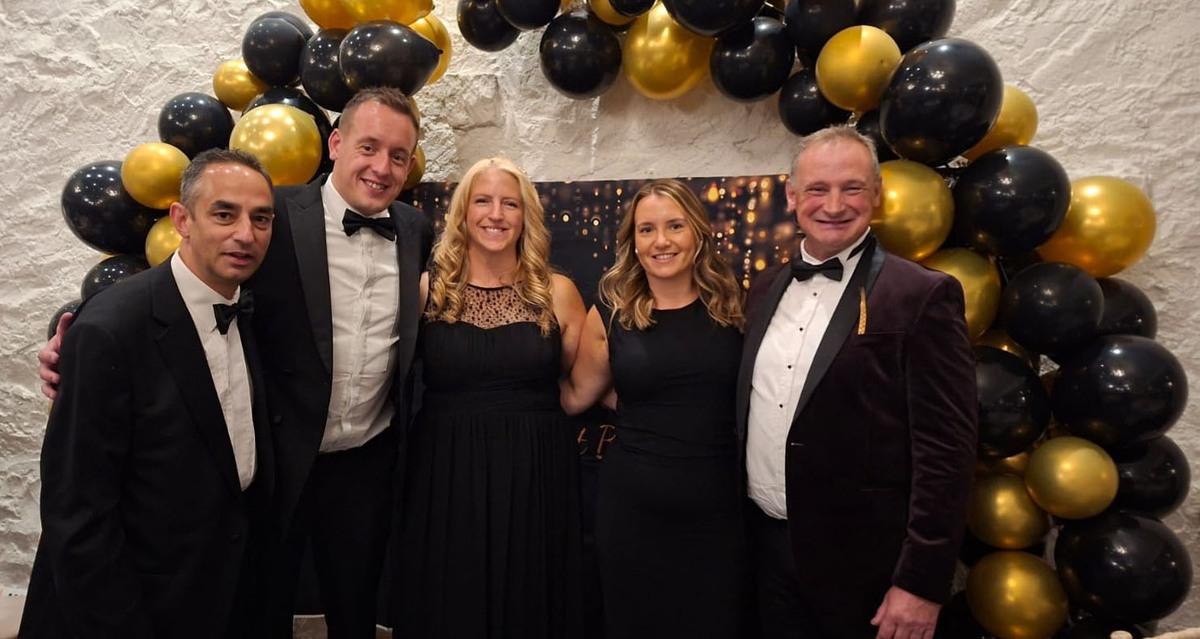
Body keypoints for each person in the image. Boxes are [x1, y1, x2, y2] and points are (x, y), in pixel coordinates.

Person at [36, 86, 431, 638]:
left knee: (356, 605)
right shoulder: (273, 216)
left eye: (398, 155)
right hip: (275, 460)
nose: (382, 166)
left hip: (366, 460)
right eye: (369, 146)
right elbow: (183, 294)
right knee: (257, 602)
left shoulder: (414, 229)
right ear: (336, 144)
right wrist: (72, 348)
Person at [20, 149, 276, 638]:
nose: (246, 234)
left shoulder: (252, 311)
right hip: (130, 609)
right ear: (181, 219)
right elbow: (78, 516)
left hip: (217, 594)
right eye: (224, 213)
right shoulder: (110, 329)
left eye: (260, 218)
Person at [738, 125, 978, 638]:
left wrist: (920, 583)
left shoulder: (922, 294)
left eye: (851, 188)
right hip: (765, 552)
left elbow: (947, 452)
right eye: (818, 189)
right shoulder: (763, 289)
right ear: (792, 195)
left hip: (866, 569)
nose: (834, 205)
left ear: (876, 194)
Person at [392, 157, 587, 639]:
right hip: (446, 468)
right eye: (482, 200)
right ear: (462, 213)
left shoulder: (558, 292)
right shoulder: (427, 290)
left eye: (509, 203)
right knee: (451, 591)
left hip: (536, 468)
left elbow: (578, 383)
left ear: (526, 217)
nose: (495, 214)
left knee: (531, 592)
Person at [561, 179, 748, 638]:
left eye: (674, 226)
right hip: (632, 515)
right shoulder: (611, 312)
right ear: (632, 241)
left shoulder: (737, 307)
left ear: (699, 233)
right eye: (646, 230)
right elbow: (578, 396)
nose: (660, 241)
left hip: (718, 515)